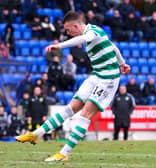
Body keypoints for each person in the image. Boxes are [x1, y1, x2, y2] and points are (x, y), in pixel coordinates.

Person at [16, 11, 130, 162]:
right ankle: (36, 134)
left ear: (76, 26)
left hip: (108, 79)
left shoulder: (92, 33)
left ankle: (64, 153)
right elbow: (113, 48)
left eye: (69, 31)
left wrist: (60, 46)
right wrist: (122, 63)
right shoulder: (95, 32)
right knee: (71, 107)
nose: (69, 34)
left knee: (85, 113)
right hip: (97, 75)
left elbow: (83, 38)